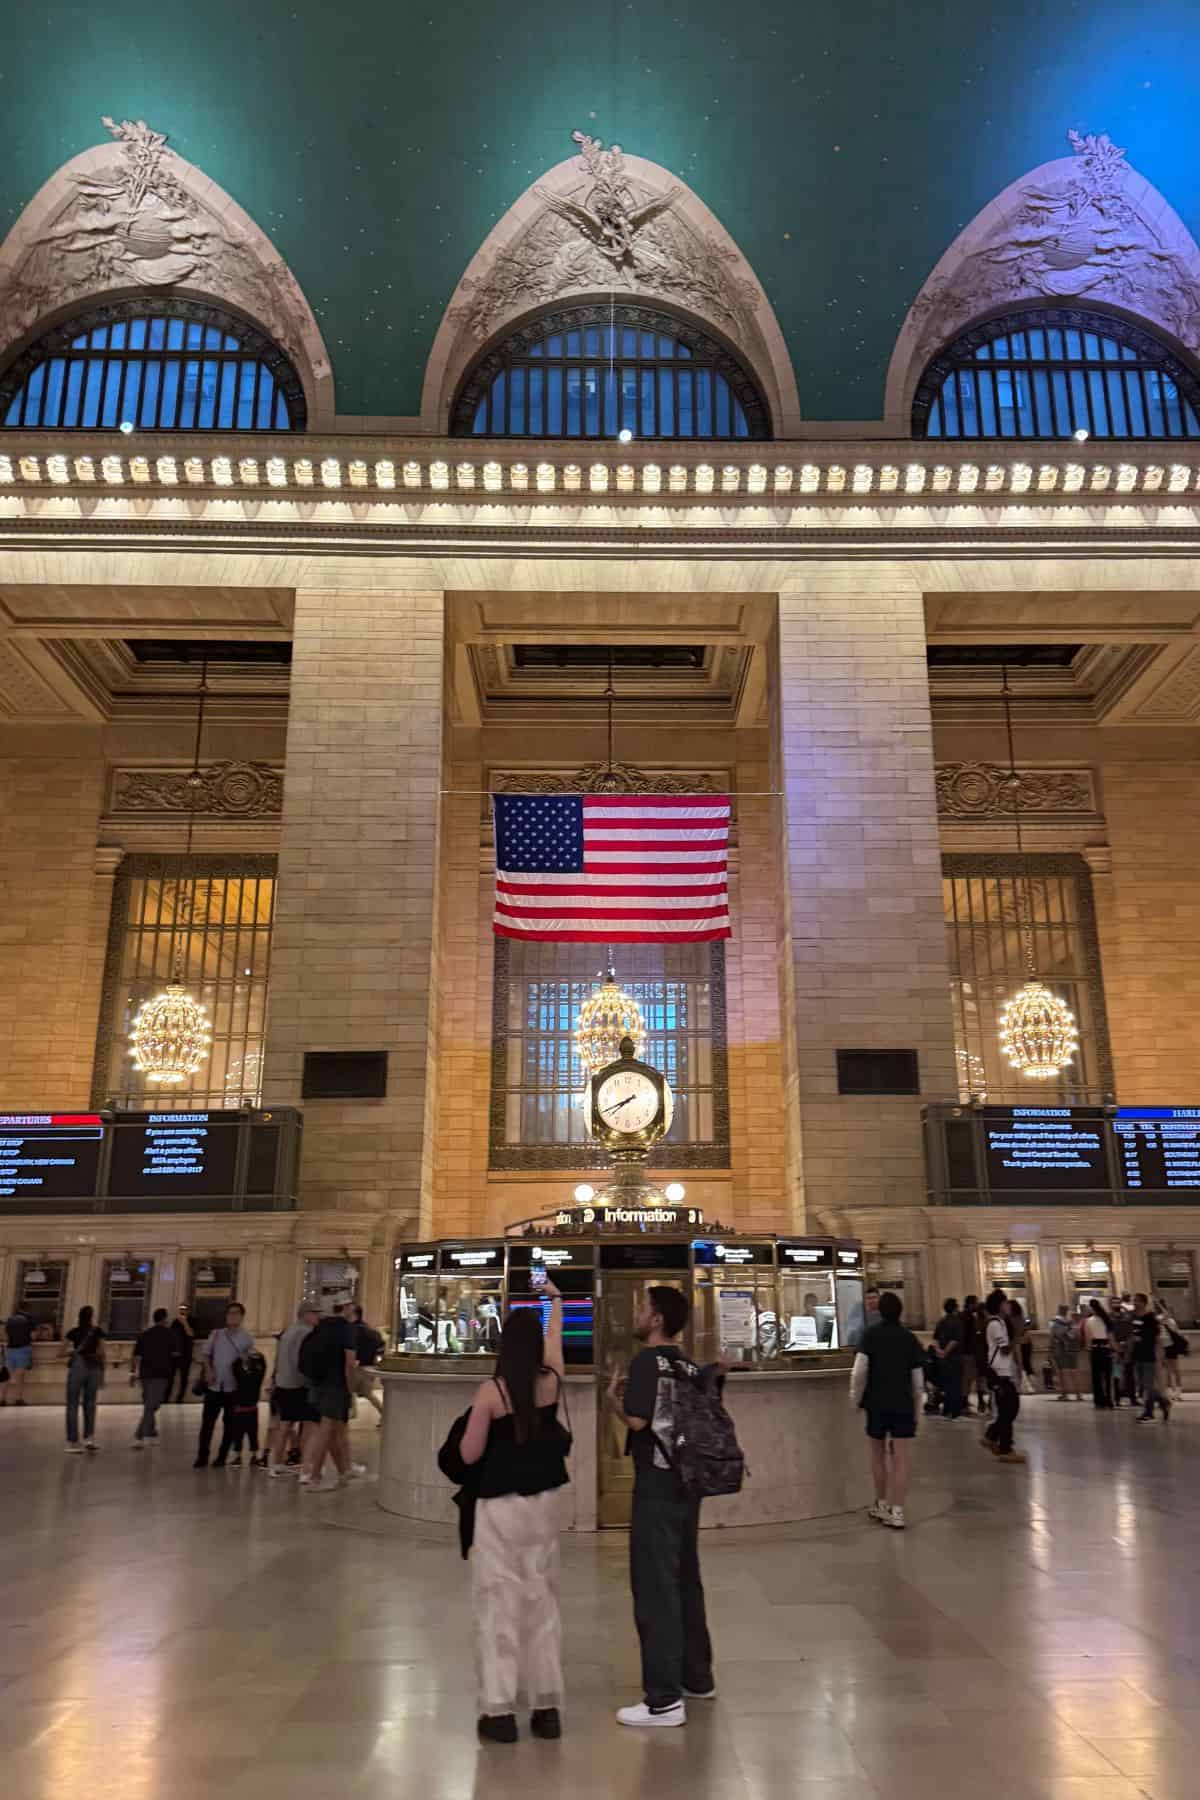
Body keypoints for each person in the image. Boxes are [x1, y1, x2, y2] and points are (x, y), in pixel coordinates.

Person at [459, 1279, 569, 1745]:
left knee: (498, 1603)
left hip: (500, 1507)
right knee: (541, 1602)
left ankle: (499, 1712)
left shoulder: (491, 1393)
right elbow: (556, 1343)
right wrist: (556, 1300)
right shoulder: (551, 1383)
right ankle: (547, 1708)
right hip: (544, 1504)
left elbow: (468, 1455)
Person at [607, 1285, 715, 1730]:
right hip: (688, 1483)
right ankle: (697, 1677)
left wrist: (612, 1398)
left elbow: (638, 1421)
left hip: (656, 1483)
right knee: (685, 1577)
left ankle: (664, 1700)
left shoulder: (646, 1362)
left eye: (641, 1307)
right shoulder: (689, 1364)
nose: (635, 1313)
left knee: (655, 1586)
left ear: (655, 1320)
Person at [850, 1289, 925, 1527]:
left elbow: (859, 1372)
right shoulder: (909, 1338)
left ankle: (881, 1503)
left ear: (879, 1311)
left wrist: (855, 1399)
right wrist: (917, 1410)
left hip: (876, 1402)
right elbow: (918, 1381)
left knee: (878, 1454)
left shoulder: (870, 1335)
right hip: (902, 1402)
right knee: (901, 1459)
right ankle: (898, 1510)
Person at [299, 1306, 364, 1490]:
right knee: (326, 1431)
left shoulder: (322, 1327)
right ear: (347, 1309)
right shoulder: (346, 1329)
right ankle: (315, 1476)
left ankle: (344, 1470)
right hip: (336, 1385)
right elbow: (349, 1363)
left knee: (336, 1429)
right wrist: (351, 1389)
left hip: (318, 1383)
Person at [193, 1302, 253, 1469]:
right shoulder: (216, 1334)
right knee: (207, 1424)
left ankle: (221, 1456)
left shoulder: (246, 1338)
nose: (232, 1316)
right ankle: (202, 1456)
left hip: (233, 1388)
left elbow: (248, 1362)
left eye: (236, 1313)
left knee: (230, 1425)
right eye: (230, 1313)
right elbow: (205, 1355)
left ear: (241, 1316)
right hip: (214, 1386)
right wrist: (209, 1370)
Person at [267, 1301, 320, 1477]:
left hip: (283, 1384)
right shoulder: (305, 1332)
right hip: (298, 1385)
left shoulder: (288, 1331)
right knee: (309, 1425)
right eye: (314, 1313)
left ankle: (276, 1464)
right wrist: (309, 1381)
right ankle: (306, 1467)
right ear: (305, 1314)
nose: (317, 1317)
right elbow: (301, 1361)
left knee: (285, 1424)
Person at [982, 1288, 1025, 1463]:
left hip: (1003, 1372)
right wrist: (1018, 1335)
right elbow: (1005, 1349)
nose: (1009, 1305)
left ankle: (992, 1437)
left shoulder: (1000, 1323)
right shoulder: (995, 1324)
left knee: (1009, 1409)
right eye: (1006, 1302)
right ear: (1000, 1305)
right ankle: (1005, 1448)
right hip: (998, 1373)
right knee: (1009, 1409)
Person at [64, 1305, 106, 1452]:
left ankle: (72, 1442)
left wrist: (73, 1352)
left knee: (72, 1404)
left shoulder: (73, 1332)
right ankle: (89, 1439)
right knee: (90, 1404)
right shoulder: (97, 1331)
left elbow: (60, 1352)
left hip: (78, 1366)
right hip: (94, 1366)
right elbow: (101, 1352)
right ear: (92, 1316)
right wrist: (102, 1374)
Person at [130, 1306, 174, 1446]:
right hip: (161, 1373)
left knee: (150, 1402)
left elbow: (136, 1356)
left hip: (145, 1374)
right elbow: (176, 1353)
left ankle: (151, 1431)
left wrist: (133, 1373)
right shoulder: (170, 1334)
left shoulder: (144, 1334)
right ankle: (139, 1435)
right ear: (165, 1318)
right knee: (152, 1404)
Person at [218, 1347, 267, 1465]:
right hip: (247, 1406)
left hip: (243, 1406)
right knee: (247, 1433)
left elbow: (237, 1368)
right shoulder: (255, 1372)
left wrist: (246, 1357)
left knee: (245, 1433)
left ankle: (241, 1456)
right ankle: (249, 1456)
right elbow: (261, 1365)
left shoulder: (248, 1371)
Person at [1133, 1292, 1170, 1422]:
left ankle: (1149, 1412)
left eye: (1137, 1300)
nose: (1134, 1302)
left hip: (1148, 1354)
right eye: (1134, 1300)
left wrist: (1160, 1353)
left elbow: (1156, 1336)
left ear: (1144, 1302)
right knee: (1143, 1384)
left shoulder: (1150, 1317)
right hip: (1137, 1354)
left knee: (1148, 1385)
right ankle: (1163, 1401)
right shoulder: (1134, 1317)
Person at [350, 1302, 385, 1422]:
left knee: (348, 1390)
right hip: (370, 1368)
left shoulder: (352, 1331)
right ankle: (384, 1413)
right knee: (368, 1393)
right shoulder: (372, 1331)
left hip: (356, 1367)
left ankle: (350, 1413)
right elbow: (381, 1347)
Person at [932, 1298, 966, 1419]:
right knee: (955, 1385)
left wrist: (939, 1351)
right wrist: (946, 1352)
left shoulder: (941, 1322)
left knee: (945, 1384)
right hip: (954, 1358)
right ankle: (954, 1411)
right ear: (955, 1308)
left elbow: (935, 1338)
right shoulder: (957, 1322)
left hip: (943, 1360)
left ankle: (946, 1409)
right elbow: (955, 1340)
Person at [1048, 1304, 1084, 1401]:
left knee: (1062, 1372)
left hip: (1060, 1349)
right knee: (1074, 1371)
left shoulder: (1054, 1322)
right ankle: (1078, 1394)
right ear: (1066, 1311)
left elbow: (1052, 1336)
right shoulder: (1072, 1323)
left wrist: (1050, 1348)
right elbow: (1078, 1336)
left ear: (1058, 1310)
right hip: (1072, 1349)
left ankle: (1065, 1394)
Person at [2, 1302, 34, 1406]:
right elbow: (33, 1335)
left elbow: (5, 1335)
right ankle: (18, 1399)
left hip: (10, 1349)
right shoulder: (29, 1318)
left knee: (7, 1376)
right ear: (27, 1309)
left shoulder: (10, 1319)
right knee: (19, 1376)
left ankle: (2, 1399)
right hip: (23, 1348)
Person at [1083, 1299, 1113, 1409]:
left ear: (1091, 1308)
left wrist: (1088, 1349)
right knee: (1107, 1376)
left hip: (1095, 1348)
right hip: (1106, 1348)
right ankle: (1109, 1399)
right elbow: (1111, 1336)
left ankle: (1099, 1401)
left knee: (1097, 1376)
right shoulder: (1106, 1319)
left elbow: (1088, 1338)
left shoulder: (1088, 1321)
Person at [1156, 1299, 1187, 1401]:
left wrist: (1159, 1305)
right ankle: (1171, 1391)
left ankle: (1177, 1392)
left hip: (1170, 1347)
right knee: (1168, 1371)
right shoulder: (1158, 1319)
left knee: (1174, 1369)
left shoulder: (1170, 1321)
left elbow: (1176, 1332)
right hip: (1162, 1347)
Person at [167, 1306, 195, 1403]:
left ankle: (180, 1398)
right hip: (174, 1354)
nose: (182, 1311)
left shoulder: (191, 1320)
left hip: (186, 1354)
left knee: (184, 1378)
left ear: (188, 1311)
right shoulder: (175, 1322)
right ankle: (166, 1397)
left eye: (184, 1309)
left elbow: (191, 1334)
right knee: (170, 1377)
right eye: (180, 1309)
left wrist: (185, 1323)